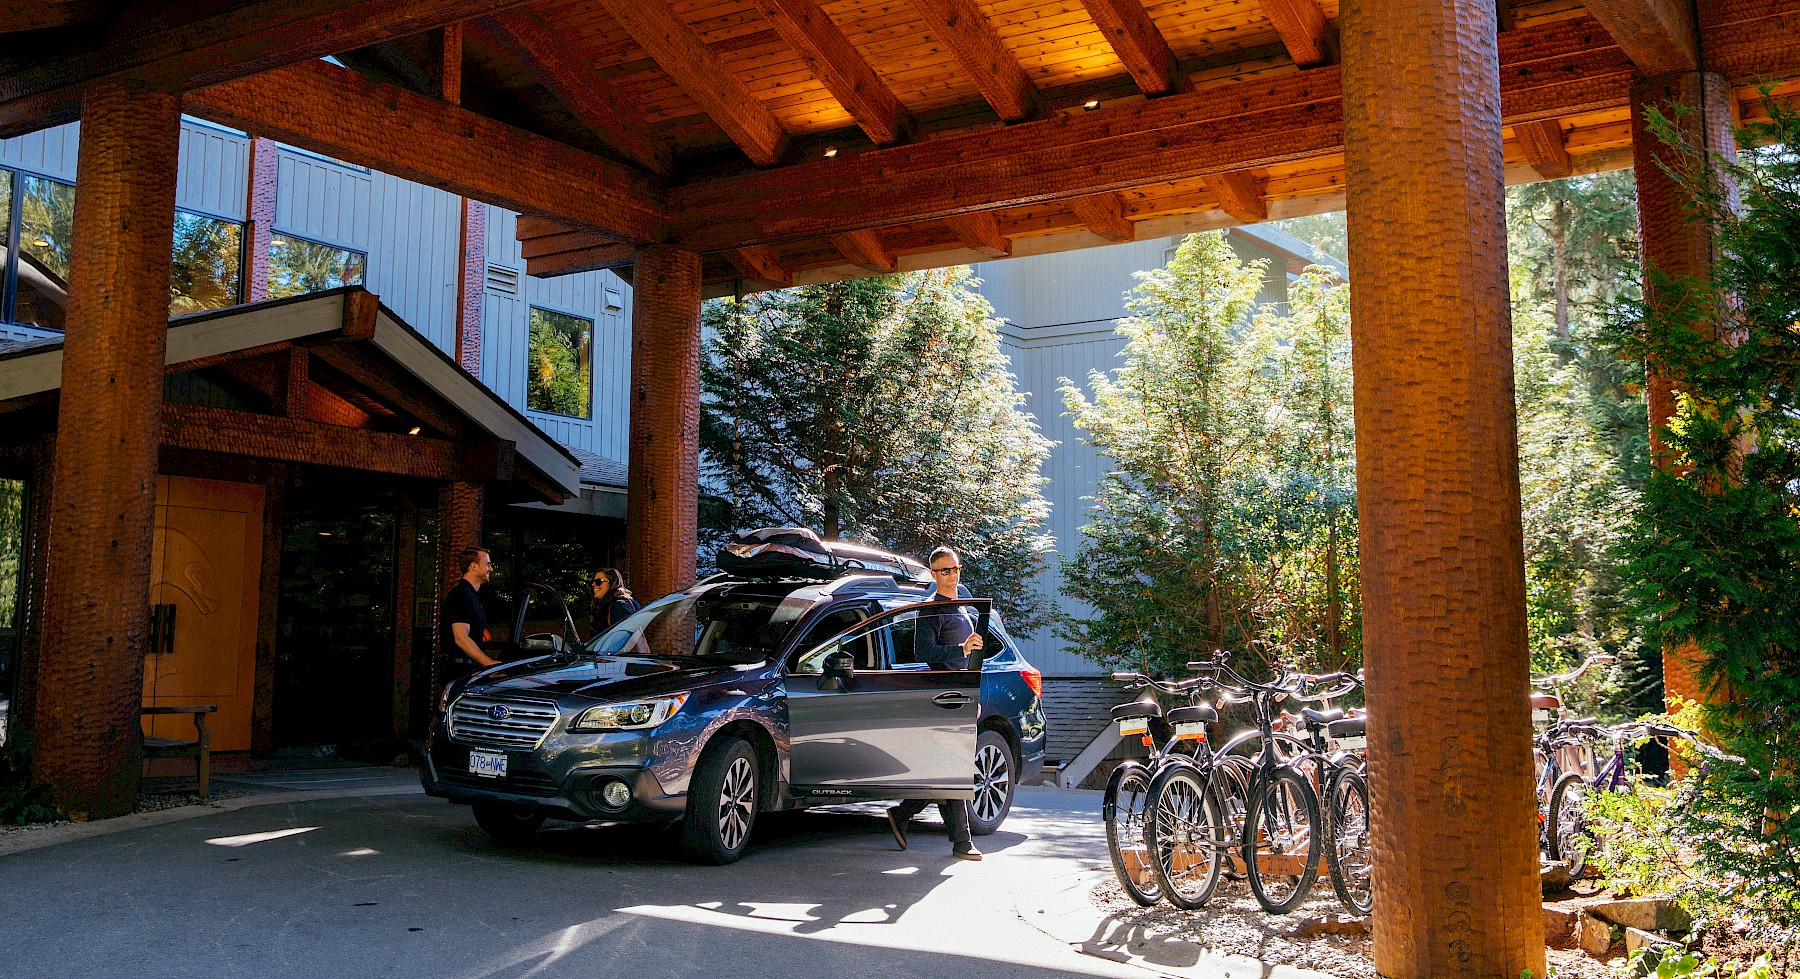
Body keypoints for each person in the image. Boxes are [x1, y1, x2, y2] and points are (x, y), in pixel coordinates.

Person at [888, 545, 985, 861]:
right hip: (942, 697)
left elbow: (968, 661)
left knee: (947, 768)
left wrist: (973, 696)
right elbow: (924, 652)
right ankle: (961, 842)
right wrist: (962, 648)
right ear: (933, 574)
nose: (952, 575)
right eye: (945, 570)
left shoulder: (962, 608)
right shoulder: (931, 609)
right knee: (954, 767)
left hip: (961, 694)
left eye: (956, 569)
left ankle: (903, 813)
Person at [441, 545, 499, 684]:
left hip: (468, 670)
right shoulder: (461, 595)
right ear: (474, 566)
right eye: (487, 564)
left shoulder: (471, 596)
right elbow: (461, 637)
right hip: (460, 673)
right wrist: (489, 663)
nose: (490, 569)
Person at [588, 567, 640, 637]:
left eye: (598, 581)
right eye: (592, 582)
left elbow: (622, 638)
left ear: (612, 583)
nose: (593, 584)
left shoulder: (619, 607)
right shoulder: (606, 606)